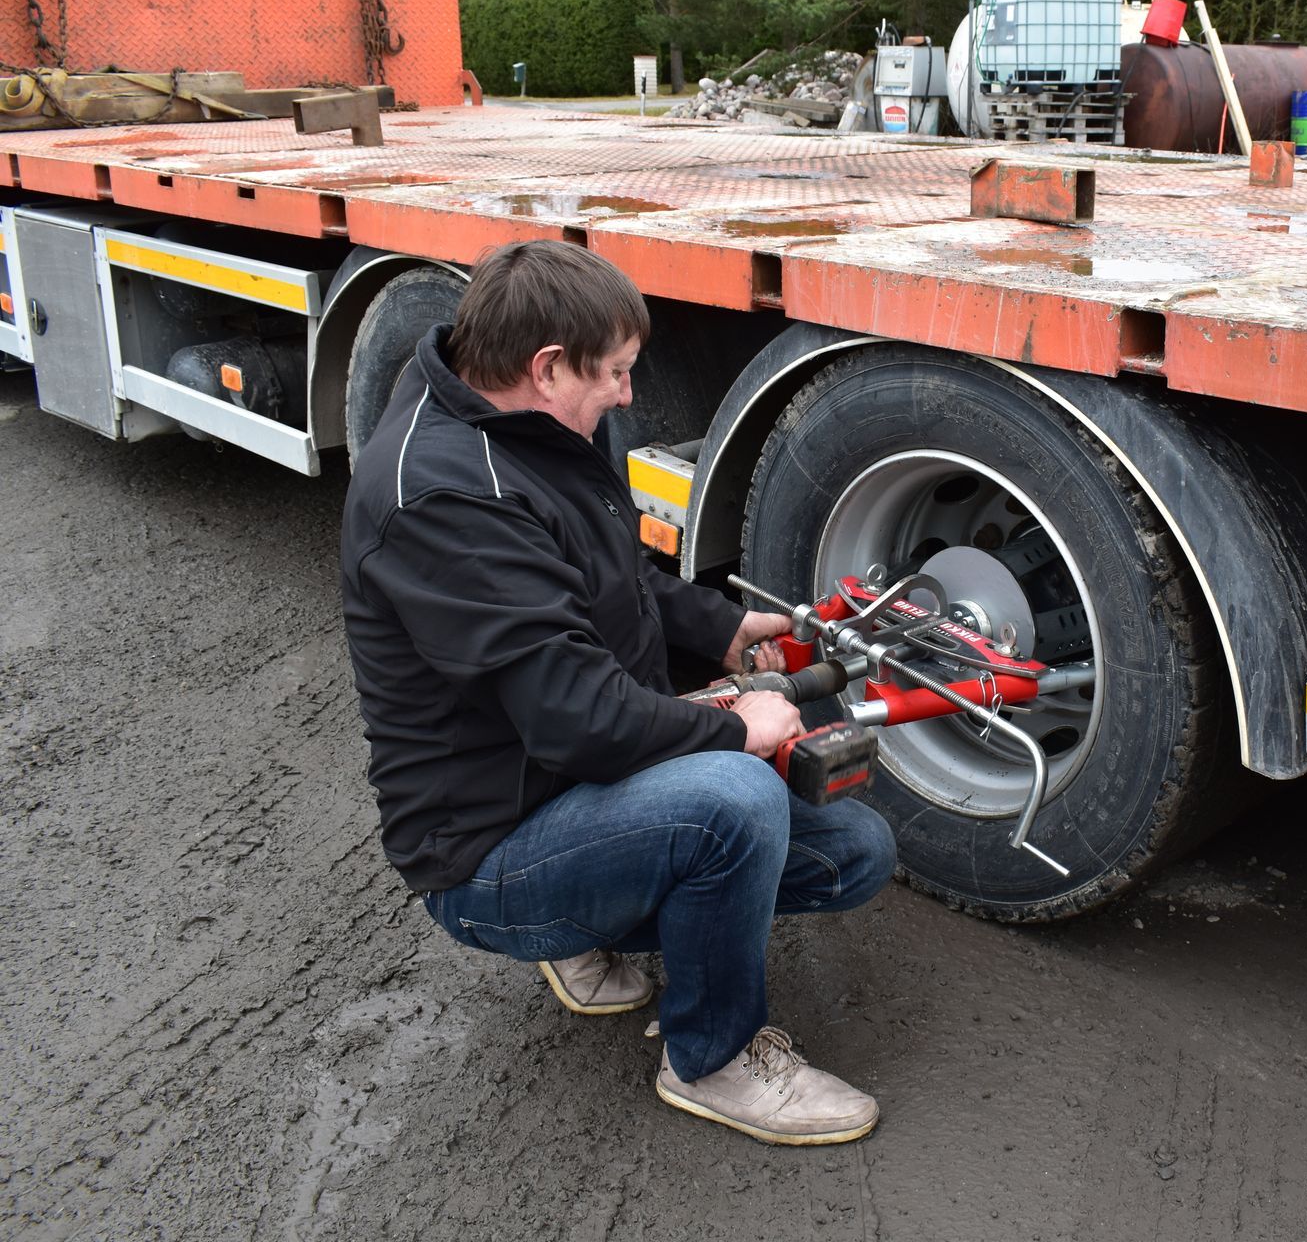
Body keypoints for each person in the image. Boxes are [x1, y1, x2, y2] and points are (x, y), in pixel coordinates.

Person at [339, 241, 896, 1145]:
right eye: (619, 375)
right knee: (738, 799)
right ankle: (710, 1058)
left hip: (563, 782)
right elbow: (575, 716)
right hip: (485, 847)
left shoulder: (527, 421)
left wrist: (717, 628)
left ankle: (601, 912)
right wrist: (735, 729)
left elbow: (611, 573)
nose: (630, 396)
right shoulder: (440, 496)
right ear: (547, 366)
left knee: (854, 852)